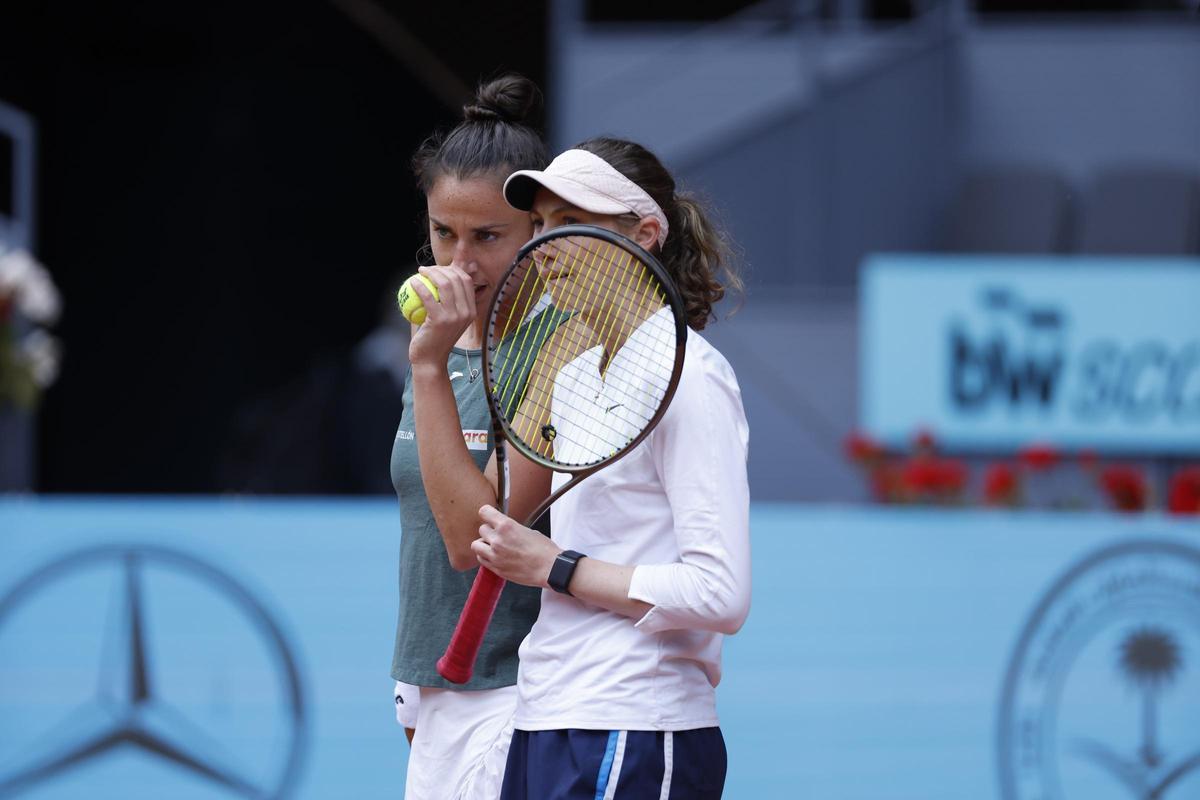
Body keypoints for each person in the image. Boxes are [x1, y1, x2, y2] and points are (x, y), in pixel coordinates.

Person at [473, 139, 752, 799]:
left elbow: (721, 593)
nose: (543, 246)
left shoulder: (692, 377)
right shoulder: (572, 376)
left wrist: (556, 567)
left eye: (571, 222)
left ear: (645, 233)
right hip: (544, 715)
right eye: (539, 224)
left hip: (637, 724)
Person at [390, 74, 558, 800]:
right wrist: (411, 685)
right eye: (443, 233)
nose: (460, 262)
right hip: (428, 683)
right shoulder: (439, 338)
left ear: (540, 229)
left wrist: (428, 367)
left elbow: (474, 540)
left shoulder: (558, 346)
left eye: (488, 236)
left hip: (514, 687)